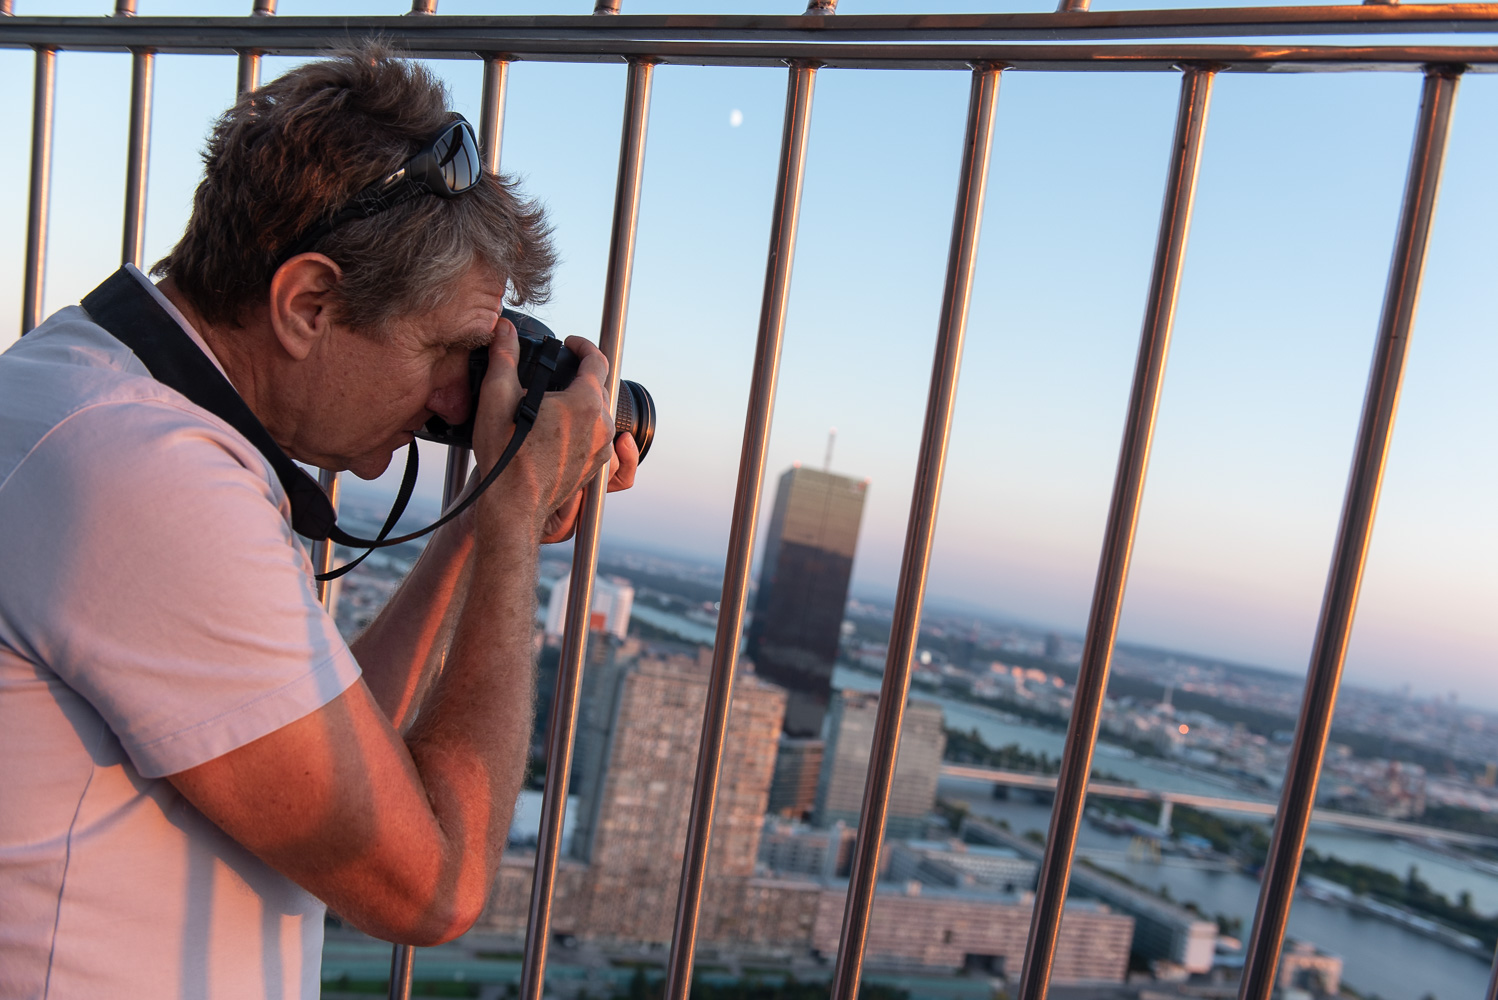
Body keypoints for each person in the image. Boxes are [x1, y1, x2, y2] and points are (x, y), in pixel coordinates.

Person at [0, 44, 636, 999]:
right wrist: (510, 533)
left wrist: (475, 521)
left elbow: (337, 751)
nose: (459, 404)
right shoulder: (147, 483)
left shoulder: (92, 385)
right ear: (307, 304)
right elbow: (436, 887)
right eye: (450, 351)